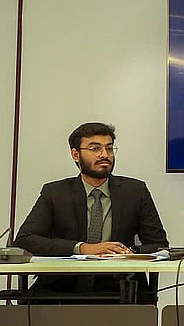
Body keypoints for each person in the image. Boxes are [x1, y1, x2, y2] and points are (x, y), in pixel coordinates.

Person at [14, 122, 168, 303]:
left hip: (121, 287)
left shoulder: (135, 191)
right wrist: (82, 248)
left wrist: (126, 252)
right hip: (62, 287)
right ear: (75, 154)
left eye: (109, 148)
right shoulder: (55, 193)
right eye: (95, 148)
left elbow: (159, 244)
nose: (105, 155)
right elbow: (25, 239)